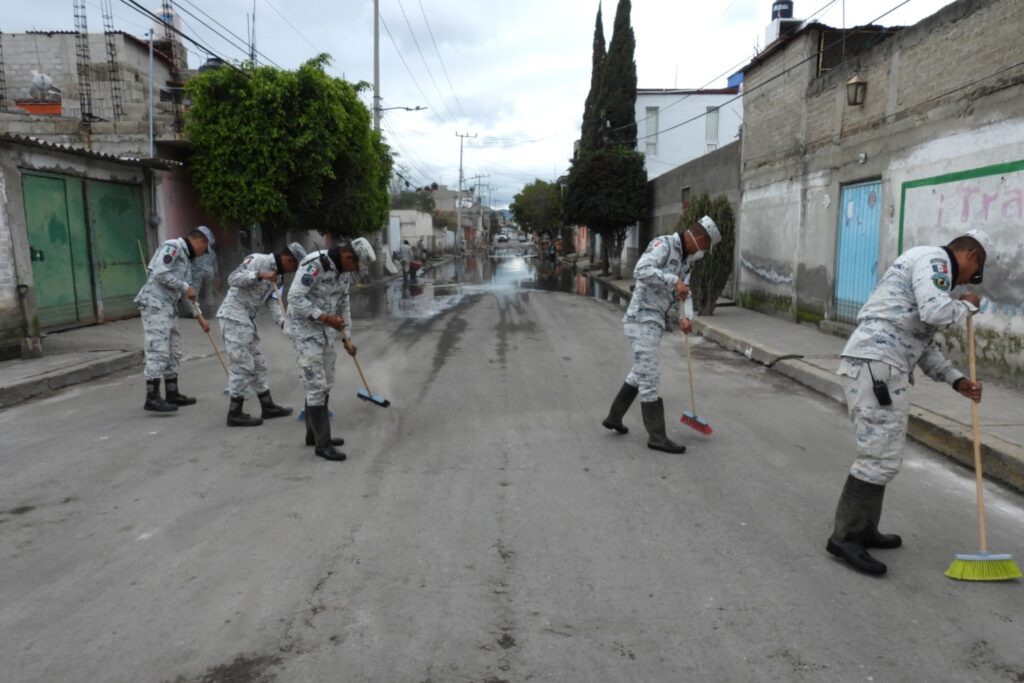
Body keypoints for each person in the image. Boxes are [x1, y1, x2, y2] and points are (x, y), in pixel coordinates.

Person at [826, 230, 989, 576]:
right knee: (878, 455)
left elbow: (922, 342)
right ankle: (846, 538)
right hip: (878, 365)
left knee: (883, 453)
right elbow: (935, 312)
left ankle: (865, 528)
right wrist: (967, 306)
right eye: (970, 274)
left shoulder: (926, 268)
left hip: (881, 364)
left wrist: (956, 380)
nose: (961, 284)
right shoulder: (935, 261)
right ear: (971, 255)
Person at [602, 216, 721, 453]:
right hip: (642, 317)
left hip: (655, 320)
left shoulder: (686, 262)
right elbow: (641, 270)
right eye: (705, 246)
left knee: (640, 373)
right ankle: (656, 437)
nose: (704, 252)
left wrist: (686, 317)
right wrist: (673, 279)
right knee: (650, 378)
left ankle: (614, 417)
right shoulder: (663, 245)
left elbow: (683, 293)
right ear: (699, 238)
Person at [286, 237, 376, 461]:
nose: (354, 271)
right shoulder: (314, 264)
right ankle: (322, 444)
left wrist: (347, 338)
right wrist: (324, 317)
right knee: (316, 385)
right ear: (347, 257)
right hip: (305, 330)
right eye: (355, 265)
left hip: (326, 331)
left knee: (326, 383)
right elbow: (294, 297)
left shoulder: (343, 272)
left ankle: (313, 435)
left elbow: (343, 303)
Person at [216, 242, 306, 427]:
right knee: (243, 365)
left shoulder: (279, 278)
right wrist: (259, 275)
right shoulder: (258, 260)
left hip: (248, 320)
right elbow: (233, 279)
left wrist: (283, 323)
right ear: (288, 259)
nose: (294, 270)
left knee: (258, 363)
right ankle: (235, 413)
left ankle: (267, 405)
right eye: (295, 266)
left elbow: (273, 301)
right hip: (234, 315)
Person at [134, 227, 211, 412]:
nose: (203, 254)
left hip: (169, 307)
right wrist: (184, 287)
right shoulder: (172, 246)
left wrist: (199, 317)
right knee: (157, 350)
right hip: (155, 305)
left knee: (174, 350)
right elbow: (160, 273)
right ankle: (152, 397)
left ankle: (172, 392)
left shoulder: (187, 259)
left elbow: (189, 293)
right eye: (205, 249)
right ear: (200, 242)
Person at [190, 226, 218, 316]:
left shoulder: (197, 248)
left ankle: (194, 312)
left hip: (197, 271)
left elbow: (192, 262)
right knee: (208, 290)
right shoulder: (212, 252)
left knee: (195, 291)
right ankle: (210, 309)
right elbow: (215, 265)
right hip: (209, 272)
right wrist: (214, 273)